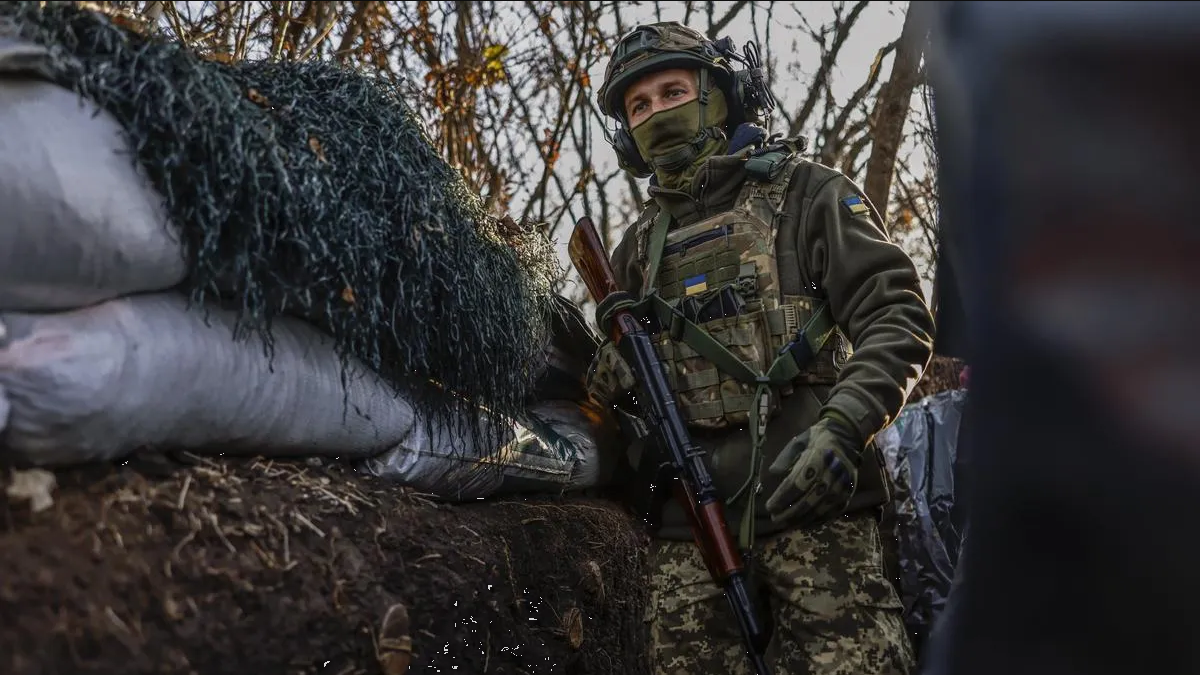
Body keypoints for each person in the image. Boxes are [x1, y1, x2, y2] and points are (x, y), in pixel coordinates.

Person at [583, 21, 936, 675]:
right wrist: (611, 379)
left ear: (722, 94)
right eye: (638, 106)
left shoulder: (809, 195)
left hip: (817, 513)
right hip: (692, 535)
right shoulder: (634, 252)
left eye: (672, 92)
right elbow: (624, 409)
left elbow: (897, 315)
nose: (657, 113)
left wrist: (844, 427)